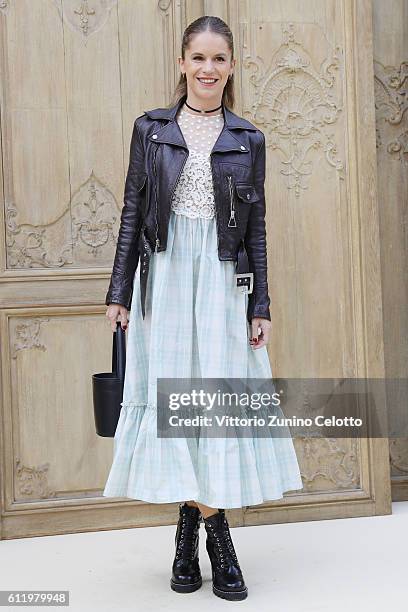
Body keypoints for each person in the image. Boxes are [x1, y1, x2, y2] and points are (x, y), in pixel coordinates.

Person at [103, 15, 303, 602]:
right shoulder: (151, 130)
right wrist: (118, 293)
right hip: (162, 276)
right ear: (182, 62)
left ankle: (194, 533)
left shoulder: (249, 139)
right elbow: (132, 212)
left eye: (219, 59)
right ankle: (216, 539)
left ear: (232, 67)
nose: (208, 69)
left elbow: (256, 227)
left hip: (220, 279)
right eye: (199, 58)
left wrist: (260, 302)